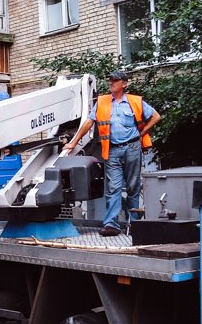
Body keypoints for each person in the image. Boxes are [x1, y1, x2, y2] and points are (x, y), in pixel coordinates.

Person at [63, 70, 161, 236]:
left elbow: (156, 116)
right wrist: (73, 142)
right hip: (112, 150)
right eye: (110, 80)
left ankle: (134, 224)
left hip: (132, 148)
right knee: (113, 188)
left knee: (132, 186)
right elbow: (89, 122)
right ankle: (111, 225)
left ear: (124, 83)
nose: (111, 83)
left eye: (115, 80)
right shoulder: (102, 102)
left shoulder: (134, 101)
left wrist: (141, 134)